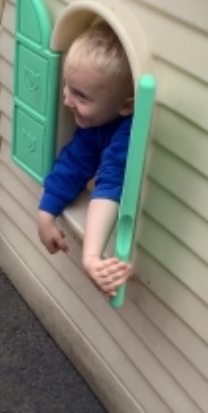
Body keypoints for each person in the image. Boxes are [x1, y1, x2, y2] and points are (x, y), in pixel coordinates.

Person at [36, 20, 135, 297]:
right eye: (68, 87)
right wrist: (46, 213)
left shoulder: (127, 134)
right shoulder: (96, 124)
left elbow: (112, 183)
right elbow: (73, 164)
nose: (67, 100)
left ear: (126, 106)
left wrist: (91, 256)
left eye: (80, 96)